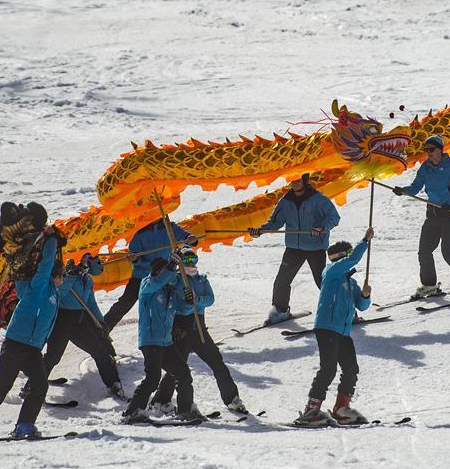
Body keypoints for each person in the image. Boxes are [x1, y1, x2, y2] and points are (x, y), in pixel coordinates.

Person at [0, 204, 74, 441]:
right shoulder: (36, 287)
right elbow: (43, 267)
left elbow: (60, 273)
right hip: (15, 344)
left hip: (33, 347)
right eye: (59, 275)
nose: (60, 279)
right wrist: (52, 241)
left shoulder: (55, 295)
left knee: (40, 386)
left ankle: (24, 426)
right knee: (1, 390)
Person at [148, 247, 247, 416]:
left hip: (199, 329)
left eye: (193, 259)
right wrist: (188, 303)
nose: (190, 263)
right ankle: (160, 401)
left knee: (217, 362)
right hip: (182, 330)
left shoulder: (201, 280)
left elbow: (210, 299)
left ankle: (232, 399)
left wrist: (197, 300)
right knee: (178, 370)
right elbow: (177, 305)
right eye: (186, 260)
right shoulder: (176, 280)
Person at [294, 227, 374, 427]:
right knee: (328, 368)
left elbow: (361, 306)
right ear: (340, 257)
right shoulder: (331, 271)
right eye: (347, 255)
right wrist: (364, 241)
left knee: (351, 368)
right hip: (327, 327)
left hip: (343, 331)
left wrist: (365, 295)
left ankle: (341, 408)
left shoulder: (350, 281)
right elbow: (352, 259)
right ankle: (311, 409)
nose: (349, 260)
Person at [20, 253, 126, 401]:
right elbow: (60, 293)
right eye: (84, 263)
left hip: (79, 322)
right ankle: (30, 388)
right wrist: (72, 276)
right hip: (61, 322)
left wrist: (101, 322)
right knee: (53, 357)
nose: (86, 267)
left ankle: (114, 384)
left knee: (100, 353)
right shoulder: (65, 277)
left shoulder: (87, 280)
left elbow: (90, 304)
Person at [392, 135, 450, 299]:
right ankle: (429, 285)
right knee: (424, 251)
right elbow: (416, 186)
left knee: (448, 252)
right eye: (426, 150)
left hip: (449, 213)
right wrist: (404, 191)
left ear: (440, 149)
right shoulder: (425, 168)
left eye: (431, 150)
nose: (429, 153)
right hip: (432, 212)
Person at [248, 173, 340, 324]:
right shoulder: (286, 201)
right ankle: (280, 311)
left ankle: (343, 309)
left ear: (305, 180)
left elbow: (334, 217)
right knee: (282, 280)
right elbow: (275, 222)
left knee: (322, 281)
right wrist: (260, 230)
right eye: (292, 180)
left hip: (315, 247)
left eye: (298, 180)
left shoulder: (318, 199)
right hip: (293, 247)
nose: (295, 182)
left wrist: (322, 227)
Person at [122, 254, 200, 422]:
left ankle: (186, 410)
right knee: (152, 378)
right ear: (158, 271)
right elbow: (158, 281)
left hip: (166, 341)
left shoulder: (168, 291)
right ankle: (133, 412)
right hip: (150, 340)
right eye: (166, 272)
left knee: (183, 374)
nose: (170, 277)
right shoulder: (147, 286)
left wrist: (189, 301)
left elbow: (182, 310)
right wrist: (171, 265)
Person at [103, 217, 198, 331]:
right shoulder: (140, 232)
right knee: (126, 302)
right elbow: (135, 255)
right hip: (142, 276)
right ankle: (105, 328)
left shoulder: (169, 227)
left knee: (172, 303)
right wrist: (134, 258)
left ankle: (184, 332)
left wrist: (191, 238)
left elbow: (186, 237)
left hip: (164, 274)